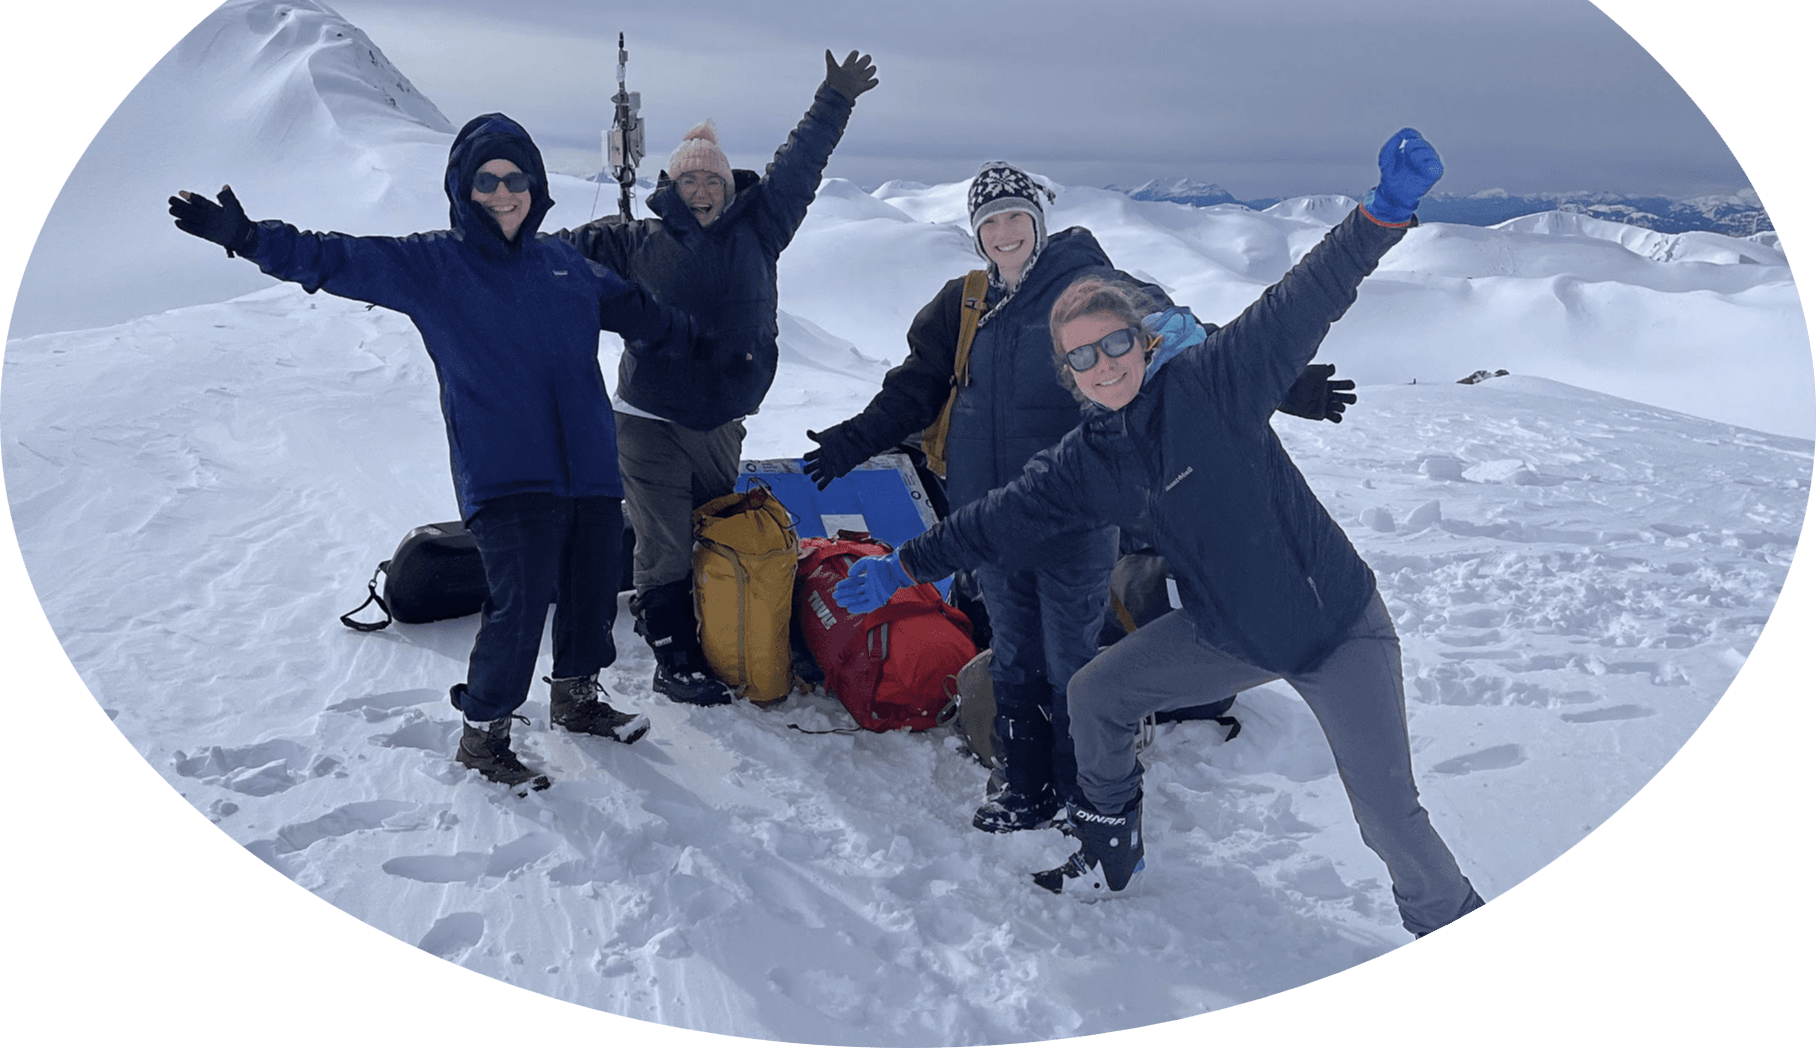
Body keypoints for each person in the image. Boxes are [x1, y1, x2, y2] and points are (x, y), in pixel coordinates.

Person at [834, 130, 1485, 938]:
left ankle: (1451, 922)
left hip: (1334, 626)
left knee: (1389, 818)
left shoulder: (1217, 381)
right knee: (1096, 692)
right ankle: (1110, 847)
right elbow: (996, 518)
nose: (1104, 364)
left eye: (1115, 343)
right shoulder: (1089, 458)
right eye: (1082, 358)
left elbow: (1305, 296)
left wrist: (1381, 214)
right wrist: (904, 564)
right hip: (1229, 630)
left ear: (1143, 340)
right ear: (1067, 376)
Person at [804, 163, 1353, 833]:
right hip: (988, 518)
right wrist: (851, 439)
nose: (1005, 233)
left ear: (1038, 220)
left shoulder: (1086, 285)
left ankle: (1081, 791)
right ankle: (1024, 783)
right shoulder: (966, 301)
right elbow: (913, 391)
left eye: (1016, 217)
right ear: (977, 234)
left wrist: (1283, 382)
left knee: (1073, 660)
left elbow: (1177, 336)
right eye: (990, 223)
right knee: (1012, 653)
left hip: (1076, 514)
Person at [168, 113, 707, 790]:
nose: (504, 192)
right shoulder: (435, 264)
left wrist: (699, 342)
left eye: (517, 178)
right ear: (464, 189)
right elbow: (335, 257)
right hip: (507, 474)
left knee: (592, 584)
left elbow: (638, 310)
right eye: (488, 180)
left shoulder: (566, 265)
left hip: (590, 466)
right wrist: (248, 238)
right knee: (520, 600)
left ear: (536, 187)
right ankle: (484, 734)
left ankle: (577, 695)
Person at [559, 50, 879, 706]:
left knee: (714, 526)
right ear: (670, 187)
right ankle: (673, 656)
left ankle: (717, 631)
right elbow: (550, 256)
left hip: (722, 418)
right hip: (647, 416)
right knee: (666, 542)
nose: (701, 189)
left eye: (711, 180)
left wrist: (834, 98)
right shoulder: (635, 239)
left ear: (728, 185)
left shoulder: (761, 228)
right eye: (688, 181)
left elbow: (799, 166)